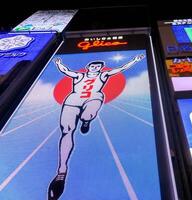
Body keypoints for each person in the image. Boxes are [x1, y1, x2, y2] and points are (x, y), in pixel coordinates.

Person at [48, 54, 145, 200]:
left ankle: (86, 121)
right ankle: (62, 171)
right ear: (88, 67)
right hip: (73, 100)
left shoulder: (104, 75)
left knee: (88, 114)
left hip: (94, 97)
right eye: (93, 66)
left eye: (98, 66)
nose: (96, 68)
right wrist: (58, 63)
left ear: (101, 68)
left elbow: (121, 68)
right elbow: (66, 70)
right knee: (67, 131)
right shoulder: (79, 76)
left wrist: (134, 60)